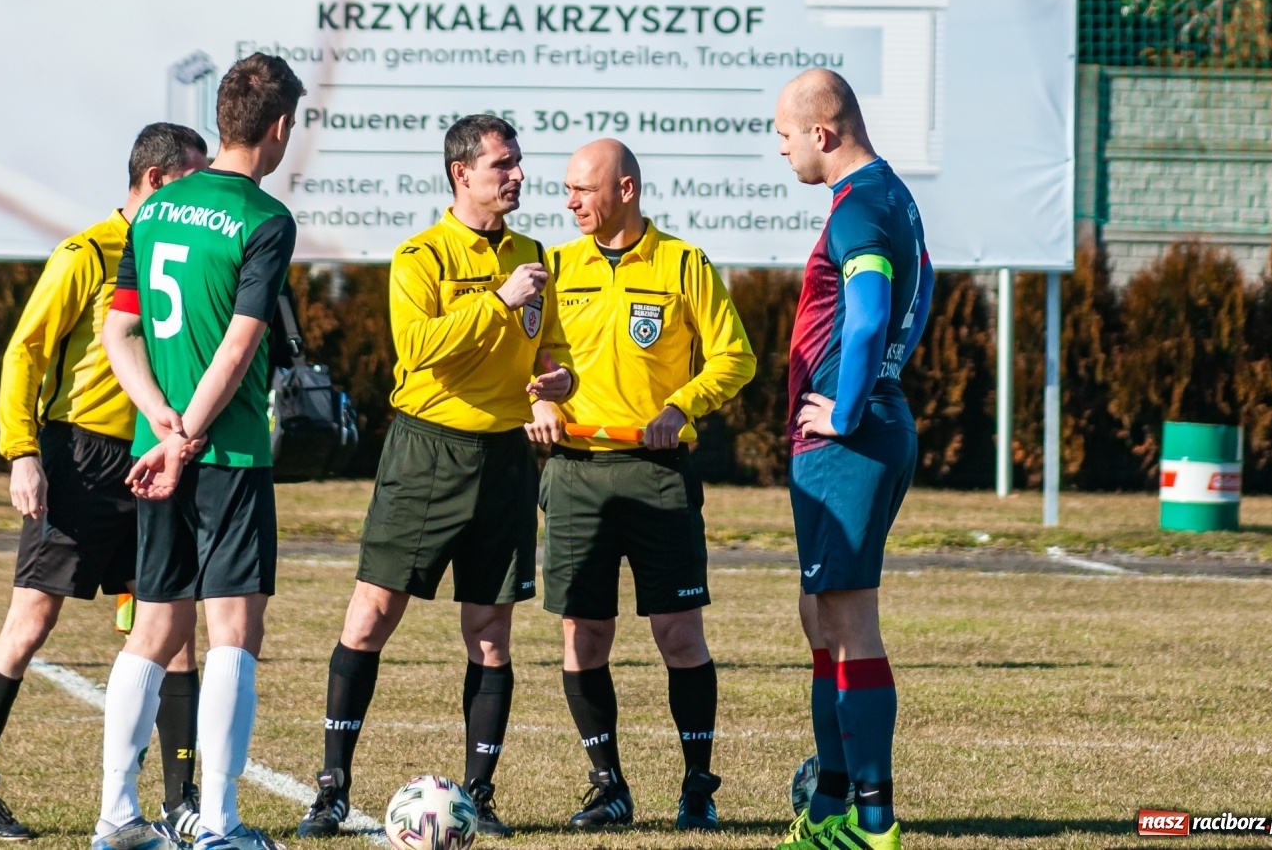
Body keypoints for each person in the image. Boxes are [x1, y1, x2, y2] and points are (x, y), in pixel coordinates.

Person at [295, 114, 570, 840]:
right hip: (426, 453)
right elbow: (419, 351)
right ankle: (330, 787)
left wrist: (557, 377)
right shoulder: (421, 255)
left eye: (517, 162)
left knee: (490, 632)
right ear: (462, 173)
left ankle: (479, 792)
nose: (515, 174)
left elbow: (552, 345)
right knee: (372, 614)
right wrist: (498, 299)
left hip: (505, 457)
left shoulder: (535, 252)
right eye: (501, 165)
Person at [0, 123, 209, 842]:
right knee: (31, 621)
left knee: (173, 628)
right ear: (156, 182)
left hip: (154, 456)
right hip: (80, 458)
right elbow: (23, 352)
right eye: (195, 178)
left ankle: (181, 800)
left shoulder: (184, 256)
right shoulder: (86, 252)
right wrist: (21, 451)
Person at [98, 53, 304, 850]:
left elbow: (120, 331)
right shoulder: (263, 218)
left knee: (151, 631)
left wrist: (161, 424)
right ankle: (218, 822)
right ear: (279, 127)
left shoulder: (153, 209)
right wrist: (190, 439)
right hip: (228, 455)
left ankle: (117, 814)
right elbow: (240, 345)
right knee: (233, 634)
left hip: (159, 450)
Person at [529, 138, 756, 832]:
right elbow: (527, 355)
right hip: (575, 474)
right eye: (566, 189)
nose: (569, 202)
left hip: (659, 475)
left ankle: (697, 787)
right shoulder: (552, 267)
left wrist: (679, 406)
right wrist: (540, 396)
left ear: (625, 189)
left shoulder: (684, 264)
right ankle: (609, 786)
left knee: (679, 633)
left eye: (583, 189)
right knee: (583, 635)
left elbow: (735, 356)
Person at [773, 69, 933, 850]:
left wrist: (844, 406)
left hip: (851, 436)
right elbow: (924, 281)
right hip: (867, 425)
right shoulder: (889, 194)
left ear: (823, 134)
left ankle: (874, 822)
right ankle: (833, 803)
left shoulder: (860, 207)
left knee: (850, 621)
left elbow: (870, 312)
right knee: (821, 617)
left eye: (786, 136)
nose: (783, 150)